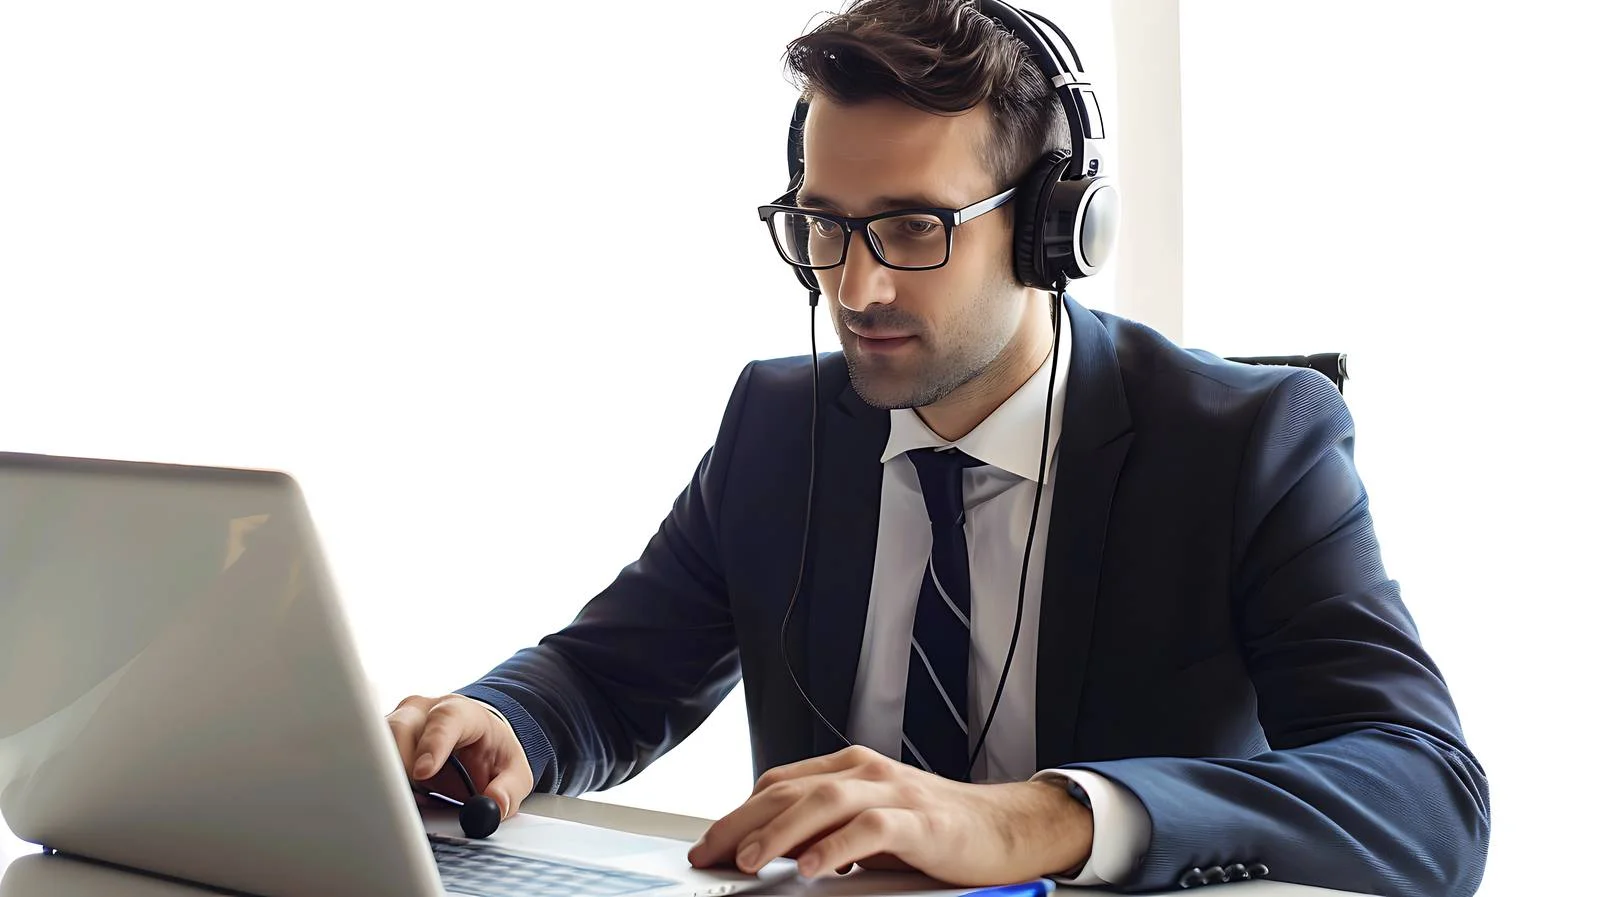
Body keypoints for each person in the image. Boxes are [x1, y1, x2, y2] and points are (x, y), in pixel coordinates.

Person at [385, 1, 1489, 894]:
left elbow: (1423, 796)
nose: (853, 287)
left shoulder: (1247, 441)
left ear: (1055, 228)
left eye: (914, 227)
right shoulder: (777, 424)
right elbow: (610, 676)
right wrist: (502, 720)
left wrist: (1042, 818)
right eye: (823, 224)